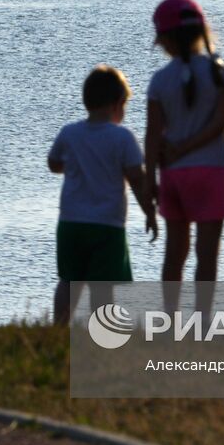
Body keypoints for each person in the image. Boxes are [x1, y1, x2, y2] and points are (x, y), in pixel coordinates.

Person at [145, 0, 224, 314]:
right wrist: (190, 147)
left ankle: (170, 318)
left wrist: (149, 179)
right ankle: (202, 321)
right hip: (211, 172)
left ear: (165, 38)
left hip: (173, 175)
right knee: (207, 254)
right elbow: (218, 125)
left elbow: (153, 135)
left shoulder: (159, 81)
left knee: (174, 253)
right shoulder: (220, 74)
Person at [47, 65, 157, 325]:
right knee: (103, 286)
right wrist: (150, 212)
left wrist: (73, 165)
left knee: (69, 280)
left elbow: (53, 163)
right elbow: (137, 179)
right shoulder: (122, 138)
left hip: (71, 223)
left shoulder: (70, 133)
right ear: (118, 103)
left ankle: (59, 327)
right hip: (106, 225)